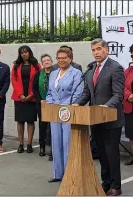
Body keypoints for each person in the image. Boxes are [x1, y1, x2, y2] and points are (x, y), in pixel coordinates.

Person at [74, 38, 125, 196]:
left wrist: (106, 107)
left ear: (106, 50)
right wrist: (77, 104)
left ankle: (116, 186)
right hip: (94, 119)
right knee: (101, 153)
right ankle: (106, 182)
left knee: (111, 153)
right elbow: (87, 93)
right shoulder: (91, 70)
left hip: (110, 119)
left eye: (98, 49)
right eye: (93, 50)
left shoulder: (115, 68)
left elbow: (118, 94)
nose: (96, 52)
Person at [46, 48, 83, 183]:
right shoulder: (53, 73)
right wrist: (51, 103)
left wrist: (65, 106)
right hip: (54, 111)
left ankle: (69, 174)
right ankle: (58, 173)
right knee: (56, 143)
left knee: (68, 143)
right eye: (59, 58)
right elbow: (49, 92)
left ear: (70, 59)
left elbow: (77, 93)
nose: (61, 60)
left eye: (64, 58)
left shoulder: (76, 73)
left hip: (68, 111)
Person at [11, 45, 41, 153]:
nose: (24, 54)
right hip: (19, 98)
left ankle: (29, 144)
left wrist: (31, 95)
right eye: (22, 53)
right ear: (20, 54)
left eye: (26, 52)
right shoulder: (16, 66)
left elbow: (39, 81)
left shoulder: (37, 65)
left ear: (29, 53)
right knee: (20, 121)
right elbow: (14, 81)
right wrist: (20, 95)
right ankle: (21, 144)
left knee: (30, 121)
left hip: (31, 98)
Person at [33, 54, 53, 160]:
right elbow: (35, 89)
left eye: (48, 60)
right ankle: (42, 147)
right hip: (42, 104)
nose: (46, 62)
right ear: (42, 63)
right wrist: (40, 99)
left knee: (53, 126)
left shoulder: (56, 73)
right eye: (44, 61)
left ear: (52, 62)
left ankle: (53, 149)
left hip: (54, 104)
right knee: (43, 126)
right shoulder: (38, 74)